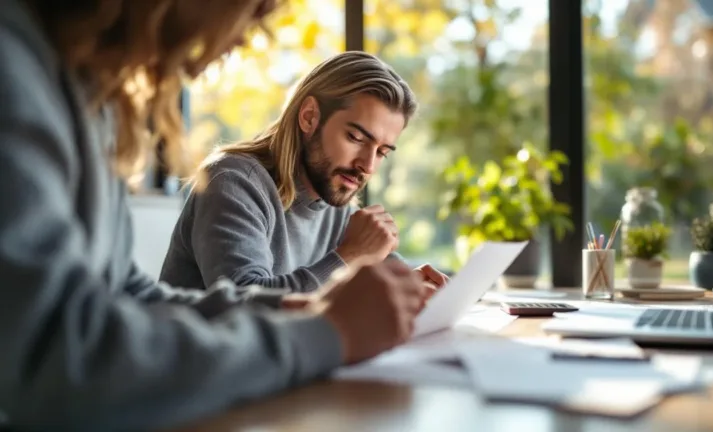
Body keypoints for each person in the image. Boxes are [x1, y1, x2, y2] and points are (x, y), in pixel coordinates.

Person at [0, 1, 431, 430]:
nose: (258, 27)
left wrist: (302, 308)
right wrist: (324, 331)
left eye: (382, 151)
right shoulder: (14, 70)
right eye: (257, 5)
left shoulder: (86, 95)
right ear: (310, 116)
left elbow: (128, 294)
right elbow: (57, 359)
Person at [159, 51, 450, 294]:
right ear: (309, 116)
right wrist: (348, 257)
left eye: (382, 151)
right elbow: (243, 306)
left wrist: (410, 285)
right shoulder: (232, 182)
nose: (368, 165)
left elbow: (381, 274)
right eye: (357, 138)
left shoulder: (335, 202)